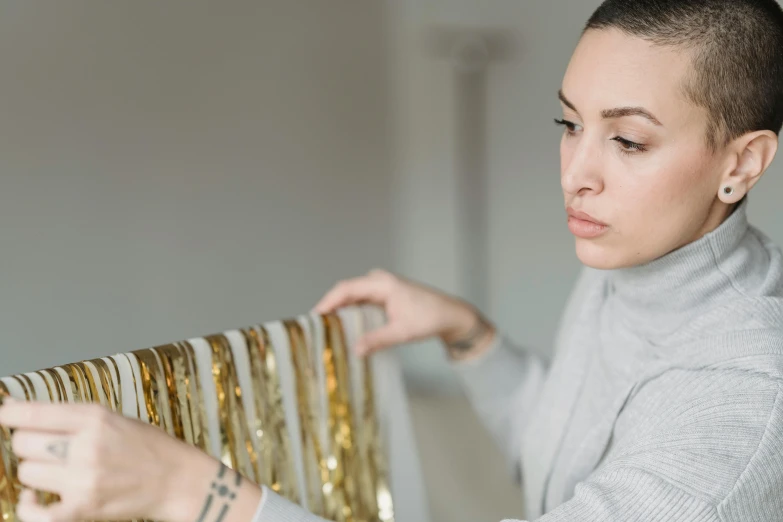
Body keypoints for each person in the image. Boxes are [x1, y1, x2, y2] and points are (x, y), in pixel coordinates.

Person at [2, 0, 783, 520]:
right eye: (567, 122)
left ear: (742, 164)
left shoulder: (739, 398)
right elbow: (567, 463)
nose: (576, 171)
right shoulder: (635, 253)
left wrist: (195, 492)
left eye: (628, 140)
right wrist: (470, 335)